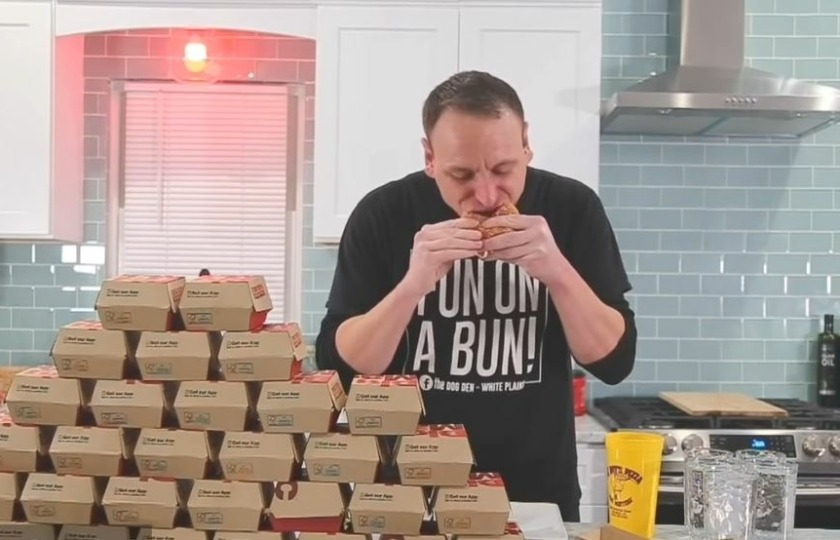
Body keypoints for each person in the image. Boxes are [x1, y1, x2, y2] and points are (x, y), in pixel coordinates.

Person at [315, 70, 636, 522]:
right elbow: (342, 368)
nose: (485, 194)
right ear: (430, 157)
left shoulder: (572, 208)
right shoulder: (383, 214)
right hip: (408, 497)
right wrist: (412, 286)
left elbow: (615, 362)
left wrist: (558, 273)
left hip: (535, 497)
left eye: (504, 170)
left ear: (526, 144)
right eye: (461, 175)